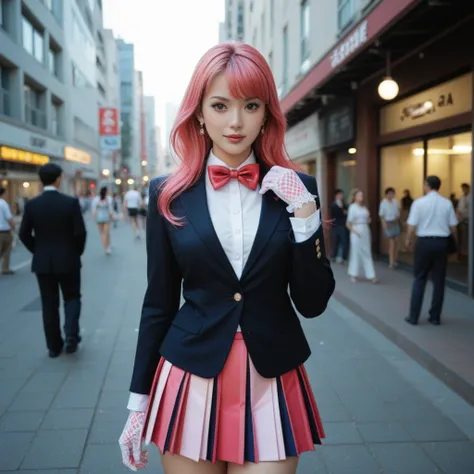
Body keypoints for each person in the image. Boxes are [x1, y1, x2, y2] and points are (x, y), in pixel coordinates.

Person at [118, 42, 335, 474]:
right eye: (219, 105)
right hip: (189, 375)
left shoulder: (297, 188)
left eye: (250, 106)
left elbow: (312, 303)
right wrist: (137, 405)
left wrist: (305, 215)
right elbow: (159, 302)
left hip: (271, 374)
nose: (235, 122)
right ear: (199, 113)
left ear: (266, 113)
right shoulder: (168, 193)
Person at [19, 163, 87, 357]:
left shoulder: (32, 205)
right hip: (69, 260)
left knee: (49, 304)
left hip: (43, 262)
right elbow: (80, 232)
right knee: (72, 298)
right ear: (58, 179)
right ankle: (72, 337)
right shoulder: (70, 203)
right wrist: (76, 252)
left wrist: (37, 250)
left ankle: (53, 346)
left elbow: (23, 234)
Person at [405, 176, 458, 325]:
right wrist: (456, 243)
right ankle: (435, 317)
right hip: (441, 243)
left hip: (423, 243)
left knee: (419, 278)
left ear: (427, 185)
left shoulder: (419, 203)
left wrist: (409, 240)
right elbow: (453, 226)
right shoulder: (447, 203)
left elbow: (412, 225)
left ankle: (413, 316)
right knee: (439, 281)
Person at [346, 189, 377, 283]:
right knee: (356, 252)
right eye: (359, 196)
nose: (361, 198)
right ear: (355, 197)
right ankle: (353, 274)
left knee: (367, 252)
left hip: (365, 230)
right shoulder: (352, 207)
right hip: (356, 231)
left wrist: (368, 220)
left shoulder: (364, 207)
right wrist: (356, 231)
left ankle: (371, 275)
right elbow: (348, 224)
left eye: (362, 196)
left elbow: (368, 218)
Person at [379, 187, 400, 268]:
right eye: (390, 194)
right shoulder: (383, 203)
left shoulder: (395, 202)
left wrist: (397, 217)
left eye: (392, 194)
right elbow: (382, 215)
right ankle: (391, 262)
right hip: (388, 223)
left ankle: (395, 260)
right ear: (386, 194)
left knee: (397, 243)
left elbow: (398, 212)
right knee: (392, 243)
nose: (391, 195)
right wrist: (384, 225)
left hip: (395, 222)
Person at [92, 186, 114, 255]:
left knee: (102, 233)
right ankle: (107, 247)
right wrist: (112, 216)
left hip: (99, 217)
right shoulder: (108, 199)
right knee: (106, 233)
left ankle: (106, 247)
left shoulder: (96, 199)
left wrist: (94, 218)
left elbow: (94, 210)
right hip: (106, 217)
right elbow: (110, 209)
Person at [330, 189, 348, 264]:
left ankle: (343, 257)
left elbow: (347, 212)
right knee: (335, 241)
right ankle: (334, 256)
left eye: (342, 194)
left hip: (343, 225)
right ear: (337, 195)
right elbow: (334, 213)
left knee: (344, 242)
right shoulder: (333, 204)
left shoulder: (344, 203)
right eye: (340, 194)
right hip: (336, 225)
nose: (342, 196)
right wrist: (342, 210)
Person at [0, 187, 15, 275]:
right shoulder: (3, 204)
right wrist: (13, 226)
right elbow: (9, 217)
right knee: (6, 250)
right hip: (4, 231)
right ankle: (5, 268)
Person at [456, 183, 470, 259]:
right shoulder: (462, 198)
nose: (463, 190)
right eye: (462, 189)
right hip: (460, 220)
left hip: (467, 220)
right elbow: (459, 208)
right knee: (461, 237)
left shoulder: (470, 198)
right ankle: (461, 252)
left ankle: (466, 253)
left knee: (466, 238)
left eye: (464, 188)